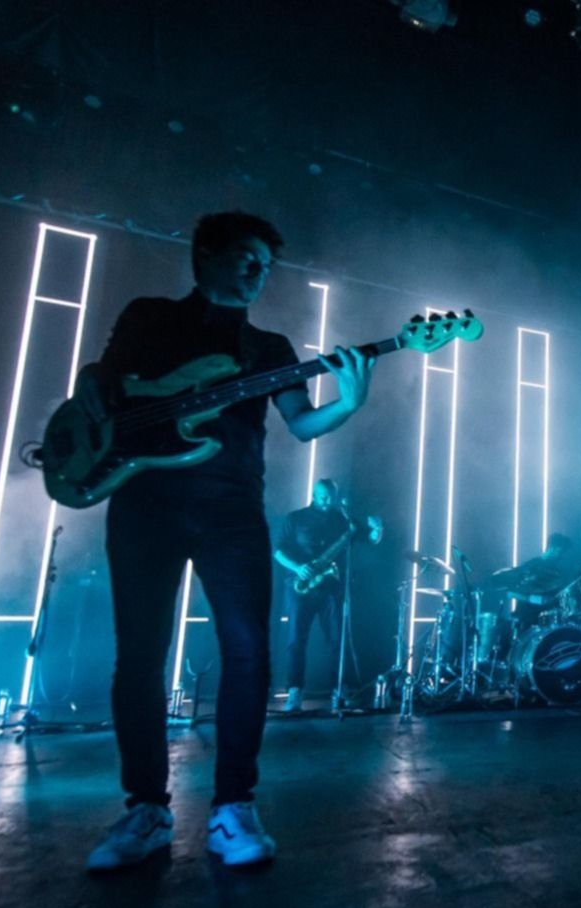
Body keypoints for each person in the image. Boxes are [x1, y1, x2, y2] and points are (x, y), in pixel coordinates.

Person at [73, 211, 377, 870]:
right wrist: (91, 380)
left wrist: (348, 403)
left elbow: (301, 423)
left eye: (266, 265)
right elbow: (105, 381)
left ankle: (233, 806)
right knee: (140, 655)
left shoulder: (269, 347)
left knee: (248, 653)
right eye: (246, 258)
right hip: (144, 502)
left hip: (232, 512)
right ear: (205, 254)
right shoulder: (149, 316)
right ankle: (146, 809)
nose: (258, 272)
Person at [273, 478, 383, 711]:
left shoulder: (343, 519)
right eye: (323, 497)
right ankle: (294, 691)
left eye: (331, 497)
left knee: (337, 640)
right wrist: (298, 568)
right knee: (296, 640)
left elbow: (371, 539)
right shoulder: (295, 518)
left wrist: (378, 529)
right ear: (313, 495)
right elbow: (278, 551)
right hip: (301, 585)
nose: (327, 501)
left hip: (332, 587)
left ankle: (340, 689)